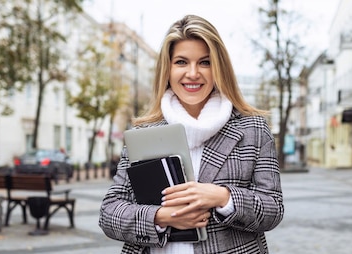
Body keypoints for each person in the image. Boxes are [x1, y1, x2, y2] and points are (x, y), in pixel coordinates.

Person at [98, 14, 284, 254]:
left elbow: (273, 210)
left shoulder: (252, 129)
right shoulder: (143, 133)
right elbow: (109, 212)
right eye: (182, 62)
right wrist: (162, 217)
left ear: (219, 68)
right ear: (167, 69)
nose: (193, 73)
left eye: (205, 62)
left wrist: (222, 197)